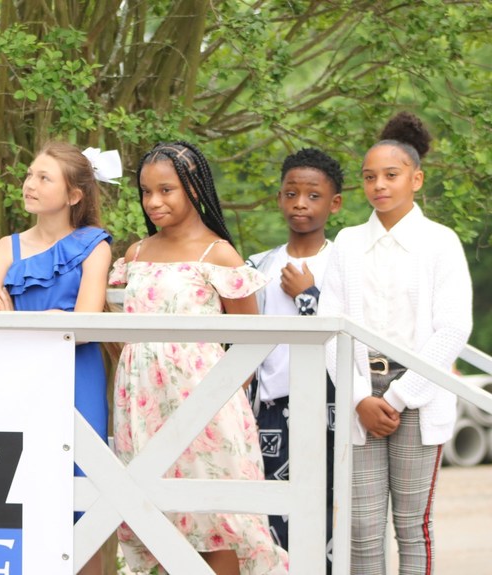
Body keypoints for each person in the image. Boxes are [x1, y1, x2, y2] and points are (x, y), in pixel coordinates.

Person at [111, 141, 288, 575]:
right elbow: (113, 328)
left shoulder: (219, 255)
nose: (154, 201)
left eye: (166, 190)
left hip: (206, 406)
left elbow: (250, 343)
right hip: (142, 406)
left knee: (217, 522)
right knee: (162, 521)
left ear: (193, 188)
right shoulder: (134, 255)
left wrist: (217, 398)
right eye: (146, 191)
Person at [320, 112, 472, 574]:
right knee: (362, 529)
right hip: (362, 395)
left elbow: (452, 329)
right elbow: (331, 326)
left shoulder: (439, 243)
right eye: (369, 177)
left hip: (419, 398)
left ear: (416, 178)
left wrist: (402, 398)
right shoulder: (346, 243)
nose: (379, 185)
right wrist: (360, 396)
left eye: (391, 175)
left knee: (411, 524)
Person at [0, 141, 115, 575]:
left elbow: (86, 324)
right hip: (16, 378)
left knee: (82, 493)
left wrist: (25, 320)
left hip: (78, 378)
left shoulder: (95, 246)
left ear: (74, 195)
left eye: (43, 178)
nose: (29, 184)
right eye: (30, 175)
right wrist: (54, 321)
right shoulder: (6, 248)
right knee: (16, 488)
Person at [247, 148, 343, 571]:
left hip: (331, 407)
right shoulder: (258, 266)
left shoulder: (344, 264)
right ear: (279, 197)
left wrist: (308, 296)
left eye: (313, 195)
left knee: (327, 516)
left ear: (334, 203)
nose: (300, 204)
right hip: (270, 410)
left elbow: (349, 334)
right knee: (272, 521)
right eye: (291, 193)